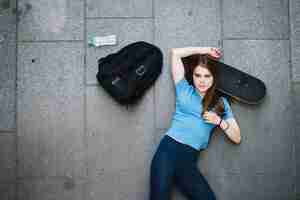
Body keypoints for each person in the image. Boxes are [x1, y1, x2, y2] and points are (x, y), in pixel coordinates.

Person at [149, 47, 241, 200]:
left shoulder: (220, 103)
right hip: (167, 151)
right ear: (192, 76)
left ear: (213, 78)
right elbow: (175, 53)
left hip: (188, 160)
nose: (202, 80)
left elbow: (237, 137)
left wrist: (219, 121)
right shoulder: (184, 89)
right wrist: (205, 50)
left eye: (207, 76)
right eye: (198, 75)